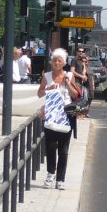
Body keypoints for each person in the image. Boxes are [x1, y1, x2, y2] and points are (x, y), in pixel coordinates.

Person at [37, 48, 80, 190]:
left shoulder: (69, 75)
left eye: (59, 60)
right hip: (51, 114)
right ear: (51, 62)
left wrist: (67, 84)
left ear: (64, 62)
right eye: (54, 60)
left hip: (66, 114)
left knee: (63, 149)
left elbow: (75, 95)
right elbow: (39, 93)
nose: (56, 62)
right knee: (50, 146)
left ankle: (60, 179)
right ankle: (50, 174)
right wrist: (48, 88)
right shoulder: (47, 76)